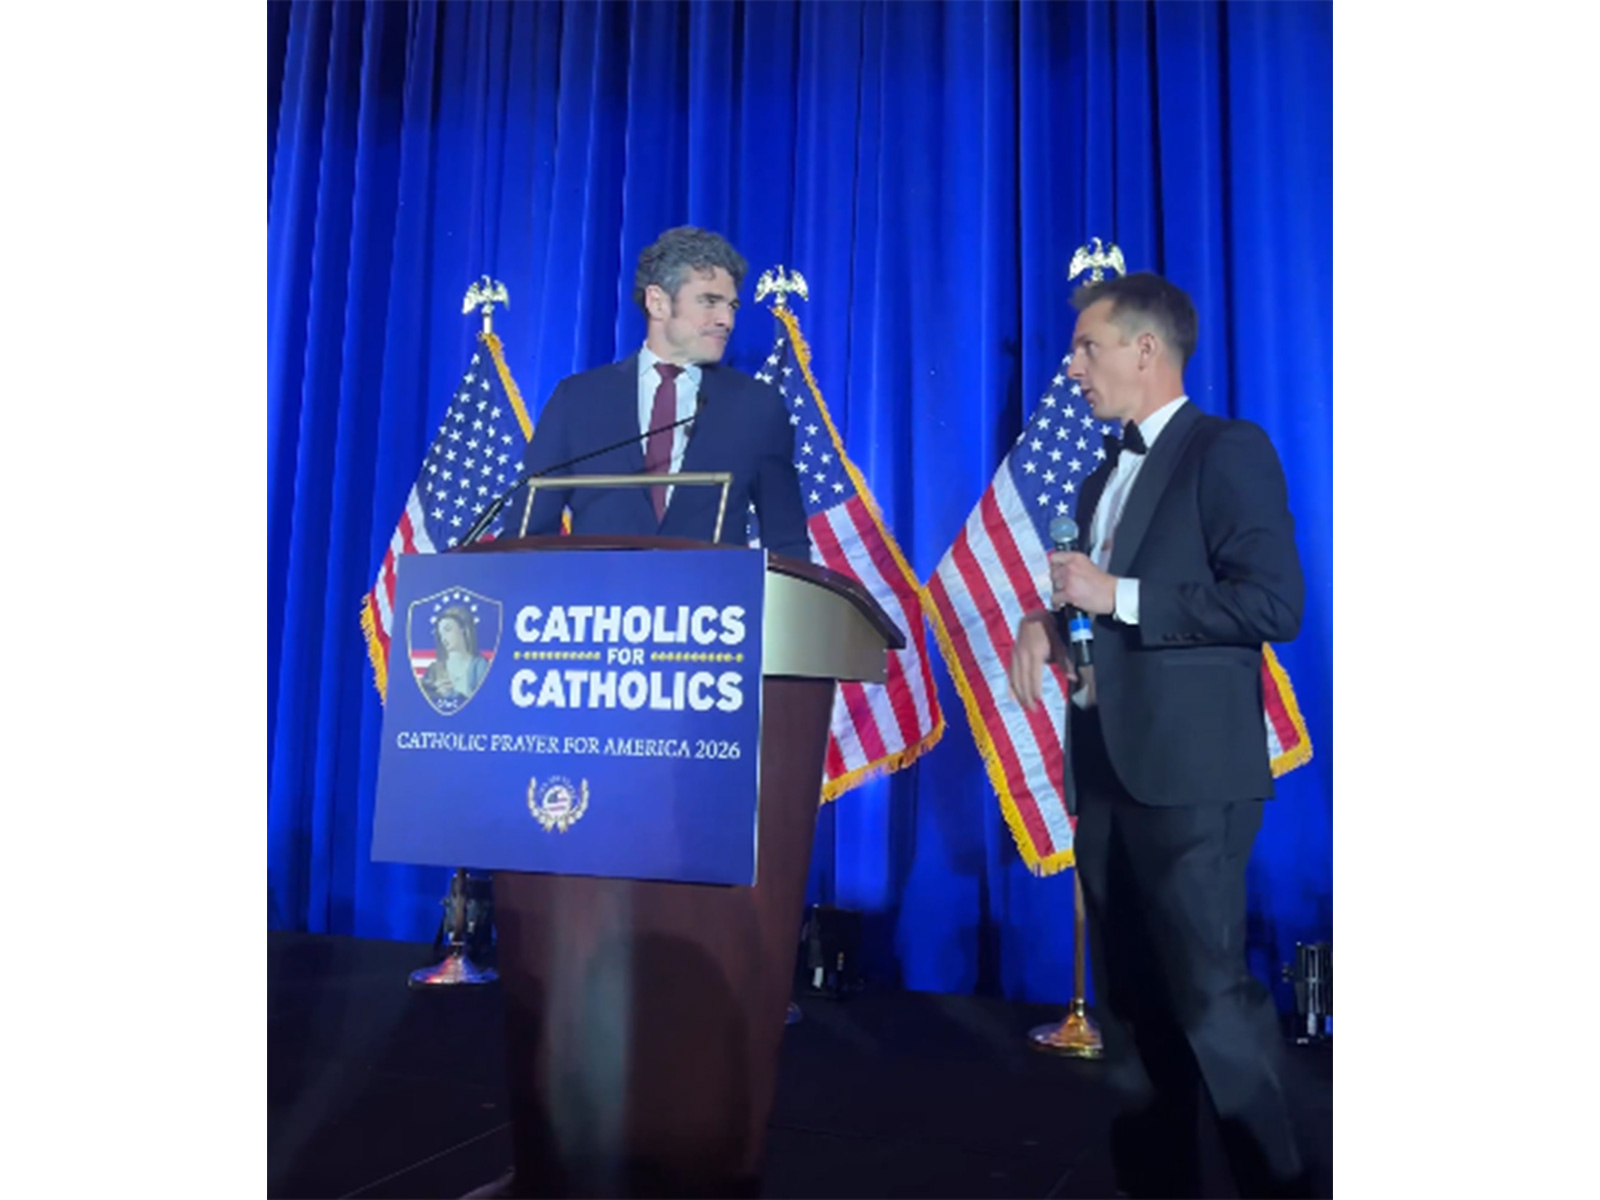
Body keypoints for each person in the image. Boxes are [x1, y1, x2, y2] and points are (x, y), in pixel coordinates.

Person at [1008, 272, 1311, 1198]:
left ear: (1147, 350)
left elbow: (1272, 603)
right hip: (1102, 767)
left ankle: (1278, 1186)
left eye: (1087, 348)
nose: (1072, 367)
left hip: (1190, 778)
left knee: (1211, 1000)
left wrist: (1117, 595)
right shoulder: (1103, 469)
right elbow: (1097, 615)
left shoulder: (1228, 450)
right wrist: (1046, 623)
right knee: (1134, 1005)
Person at [511, 226, 810, 559]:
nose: (726, 319)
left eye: (732, 306)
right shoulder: (577, 400)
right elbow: (527, 536)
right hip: (599, 603)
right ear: (658, 302)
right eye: (709, 302)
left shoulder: (756, 406)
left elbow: (787, 544)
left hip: (713, 604)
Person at [420, 605, 491, 708]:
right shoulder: (434, 669)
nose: (444, 638)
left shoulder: (478, 666)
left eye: (448, 630)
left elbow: (484, 704)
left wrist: (451, 694)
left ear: (463, 629)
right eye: (441, 634)